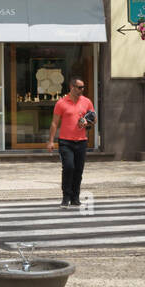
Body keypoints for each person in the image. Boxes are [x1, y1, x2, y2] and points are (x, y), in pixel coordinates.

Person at [47, 76, 96, 207]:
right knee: (69, 167)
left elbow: (94, 119)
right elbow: (54, 122)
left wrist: (87, 121)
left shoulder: (87, 102)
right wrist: (51, 141)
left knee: (78, 170)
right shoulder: (61, 103)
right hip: (65, 142)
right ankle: (65, 197)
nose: (82, 89)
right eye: (80, 87)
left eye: (83, 87)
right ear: (72, 87)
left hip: (81, 142)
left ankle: (75, 198)